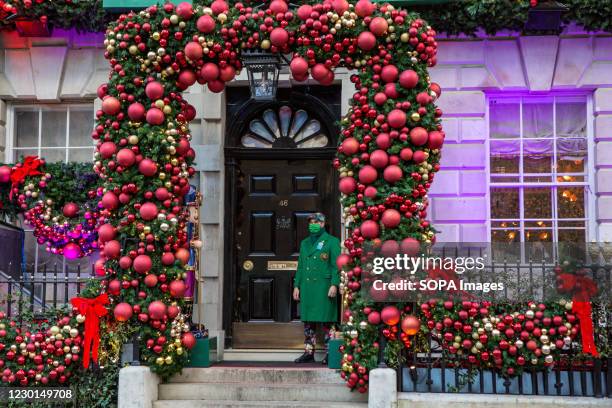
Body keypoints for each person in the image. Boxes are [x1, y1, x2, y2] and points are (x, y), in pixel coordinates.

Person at [293, 212, 340, 364]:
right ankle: (308, 352)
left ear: (322, 224)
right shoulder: (305, 243)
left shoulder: (332, 241)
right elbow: (300, 266)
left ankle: (330, 353)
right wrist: (297, 285)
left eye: (315, 222)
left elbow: (336, 266)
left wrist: (334, 283)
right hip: (307, 287)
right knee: (308, 321)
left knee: (328, 321)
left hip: (324, 287)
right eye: (310, 222)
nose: (312, 225)